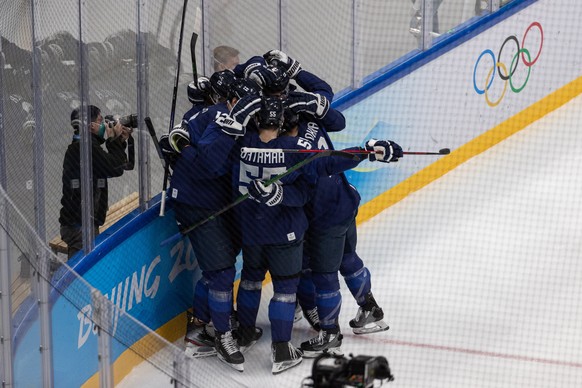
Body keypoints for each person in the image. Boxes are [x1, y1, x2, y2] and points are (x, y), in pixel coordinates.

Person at [262, 50, 397, 358]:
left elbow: (327, 162)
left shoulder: (288, 150)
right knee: (349, 257)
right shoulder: (311, 121)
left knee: (324, 275)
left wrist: (365, 152)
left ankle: (330, 334)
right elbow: (325, 96)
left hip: (323, 217)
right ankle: (370, 310)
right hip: (344, 203)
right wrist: (297, 71)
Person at [167, 73, 262, 372]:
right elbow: (208, 164)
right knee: (221, 271)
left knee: (221, 264)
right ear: (233, 100)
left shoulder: (220, 114)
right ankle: (222, 336)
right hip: (197, 205)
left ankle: (199, 327)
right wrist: (232, 128)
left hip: (215, 202)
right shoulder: (220, 115)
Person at [58, 105, 131, 259]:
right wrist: (113, 139)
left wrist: (120, 141)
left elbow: (118, 164)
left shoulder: (85, 146)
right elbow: (115, 168)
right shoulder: (85, 148)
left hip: (82, 224)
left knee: (81, 271)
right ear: (91, 126)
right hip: (80, 228)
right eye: (100, 120)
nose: (105, 124)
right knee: (79, 276)